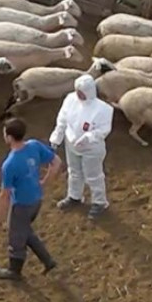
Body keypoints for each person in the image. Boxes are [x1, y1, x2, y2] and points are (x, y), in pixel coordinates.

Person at [0, 116, 62, 281]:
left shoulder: (10, 164)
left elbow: (5, 194)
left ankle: (14, 271)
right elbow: (57, 162)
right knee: (24, 229)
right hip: (36, 199)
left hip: (21, 204)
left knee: (16, 236)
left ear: (9, 137)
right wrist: (45, 182)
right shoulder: (34, 145)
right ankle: (47, 260)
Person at [50, 74, 114, 217]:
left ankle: (99, 202)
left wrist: (89, 137)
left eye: (82, 92)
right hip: (71, 143)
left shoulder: (104, 109)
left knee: (93, 175)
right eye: (77, 91)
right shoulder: (70, 99)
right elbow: (62, 120)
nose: (79, 94)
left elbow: (103, 130)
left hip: (91, 148)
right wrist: (56, 137)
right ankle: (74, 196)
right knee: (74, 171)